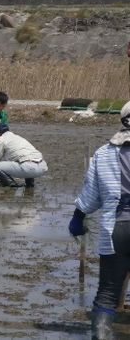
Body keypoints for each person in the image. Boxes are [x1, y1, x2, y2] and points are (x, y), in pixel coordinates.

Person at [68, 101, 130, 340]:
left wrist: (77, 218)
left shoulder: (103, 154)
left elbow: (89, 197)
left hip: (115, 230)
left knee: (107, 294)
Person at [0, 123, 47, 187]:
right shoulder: (17, 137)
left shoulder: (0, 140)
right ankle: (30, 185)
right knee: (25, 160)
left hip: (29, 168)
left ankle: (12, 186)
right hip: (42, 166)